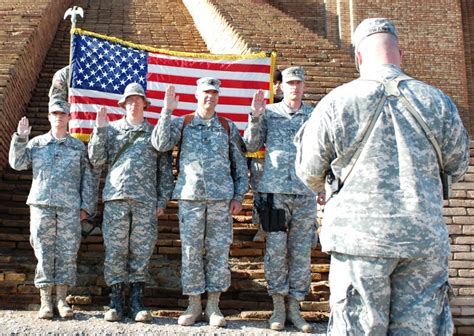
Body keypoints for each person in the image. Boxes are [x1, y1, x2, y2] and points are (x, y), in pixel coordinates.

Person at [294, 18, 470, 335]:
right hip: (422, 239)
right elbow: (457, 165)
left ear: (358, 57)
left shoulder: (336, 102)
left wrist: (329, 186)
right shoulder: (438, 102)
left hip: (359, 241)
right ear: (400, 54)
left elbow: (309, 171)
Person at [151, 77, 248, 328]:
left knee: (218, 251)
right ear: (196, 95)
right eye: (205, 93)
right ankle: (194, 304)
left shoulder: (227, 126)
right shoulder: (182, 123)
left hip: (220, 201)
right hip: (190, 198)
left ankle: (214, 306)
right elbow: (160, 144)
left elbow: (239, 163)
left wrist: (239, 196)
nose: (209, 97)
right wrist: (167, 110)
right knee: (191, 251)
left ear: (218, 97)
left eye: (214, 93)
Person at [88, 82, 173, 322]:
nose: (133, 103)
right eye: (129, 100)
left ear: (145, 103)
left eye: (138, 99)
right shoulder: (111, 129)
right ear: (123, 104)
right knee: (115, 250)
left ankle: (136, 301)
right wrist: (99, 130)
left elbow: (164, 169)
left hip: (145, 200)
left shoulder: (154, 132)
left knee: (141, 250)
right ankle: (115, 300)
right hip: (116, 197)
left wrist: (162, 199)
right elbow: (96, 159)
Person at [244, 66, 316, 333]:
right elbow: (251, 145)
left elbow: (323, 149)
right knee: (275, 251)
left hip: (305, 193)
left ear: (304, 87)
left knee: (300, 252)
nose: (294, 88)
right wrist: (255, 117)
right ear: (281, 87)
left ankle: (295, 308)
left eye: (299, 83)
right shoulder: (270, 114)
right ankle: (277, 306)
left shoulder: (313, 114)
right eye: (290, 83)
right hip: (274, 193)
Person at [9, 98, 95, 319]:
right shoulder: (36, 144)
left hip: (69, 208)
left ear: (69, 117)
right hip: (42, 205)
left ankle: (62, 299)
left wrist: (86, 206)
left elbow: (88, 178)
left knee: (67, 253)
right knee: (44, 253)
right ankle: (46, 301)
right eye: (54, 113)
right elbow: (17, 164)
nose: (58, 117)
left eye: (62, 113)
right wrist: (20, 138)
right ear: (49, 117)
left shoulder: (77, 146)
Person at [248, 68, 283, 243]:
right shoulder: (262, 107)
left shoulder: (289, 107)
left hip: (282, 162)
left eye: (279, 83)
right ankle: (260, 227)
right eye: (274, 82)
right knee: (260, 196)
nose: (277, 87)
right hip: (260, 159)